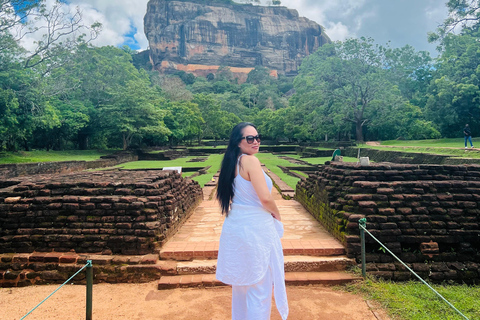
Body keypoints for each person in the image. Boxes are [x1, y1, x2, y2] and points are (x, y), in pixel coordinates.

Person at [215, 122, 288, 320]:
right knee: (259, 289)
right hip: (255, 229)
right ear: (238, 142)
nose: (256, 141)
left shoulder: (232, 162)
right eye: (250, 138)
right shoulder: (250, 161)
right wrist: (277, 215)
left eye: (257, 137)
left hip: (237, 227)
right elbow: (265, 198)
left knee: (242, 286)